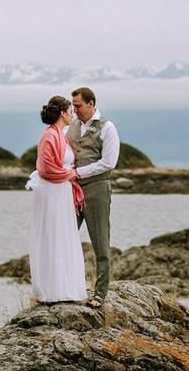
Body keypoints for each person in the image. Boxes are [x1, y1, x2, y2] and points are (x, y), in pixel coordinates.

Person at [25, 95, 87, 304]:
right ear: (62, 113)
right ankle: (52, 289)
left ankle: (66, 286)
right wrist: (70, 175)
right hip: (52, 192)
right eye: (70, 111)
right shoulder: (49, 136)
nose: (73, 114)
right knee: (52, 236)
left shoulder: (60, 135)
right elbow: (45, 168)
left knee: (63, 236)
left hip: (61, 191)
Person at [68, 86, 119, 309]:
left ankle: (99, 293)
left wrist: (79, 173)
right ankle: (68, 287)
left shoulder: (107, 128)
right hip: (71, 190)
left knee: (100, 241)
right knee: (65, 236)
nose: (75, 109)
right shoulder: (71, 126)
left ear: (91, 103)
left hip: (97, 188)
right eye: (73, 106)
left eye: (78, 105)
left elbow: (109, 162)